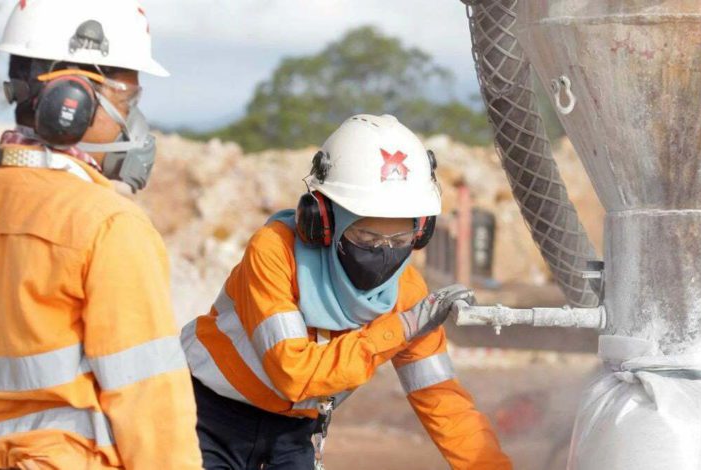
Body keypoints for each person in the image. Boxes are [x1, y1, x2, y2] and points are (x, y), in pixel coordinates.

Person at [182, 114, 512, 469]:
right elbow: (293, 374)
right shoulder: (274, 252)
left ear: (422, 231)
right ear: (322, 220)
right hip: (206, 414)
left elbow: (444, 402)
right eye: (367, 238)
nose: (384, 253)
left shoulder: (407, 295)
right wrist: (397, 330)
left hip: (291, 433)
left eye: (400, 240)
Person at [0, 1, 202, 468]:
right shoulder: (107, 226)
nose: (133, 121)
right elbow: (149, 398)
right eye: (126, 101)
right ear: (71, 100)